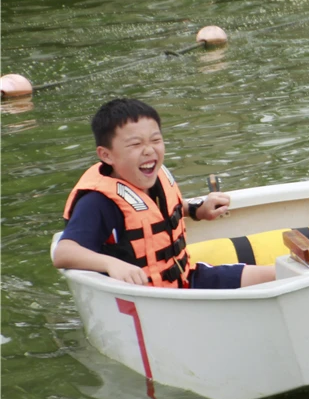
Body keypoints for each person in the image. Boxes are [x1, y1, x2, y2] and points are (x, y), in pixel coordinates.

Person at [52, 98, 275, 289]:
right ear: (106, 155)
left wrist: (197, 210)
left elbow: (162, 214)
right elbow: (64, 253)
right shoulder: (97, 202)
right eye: (135, 144)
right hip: (148, 298)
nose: (149, 150)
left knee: (278, 275)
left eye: (156, 140)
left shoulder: (153, 176)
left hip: (188, 278)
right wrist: (112, 264)